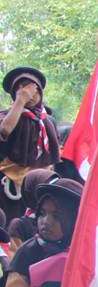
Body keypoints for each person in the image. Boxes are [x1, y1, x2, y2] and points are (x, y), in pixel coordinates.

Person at [3, 178, 82, 287]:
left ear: (73, 220)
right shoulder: (27, 251)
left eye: (56, 216)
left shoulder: (85, 254)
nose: (46, 221)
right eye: (42, 213)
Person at [0, 67, 61, 221]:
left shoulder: (48, 121)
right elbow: (4, 131)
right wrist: (20, 101)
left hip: (39, 184)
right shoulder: (5, 118)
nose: (30, 95)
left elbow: (53, 156)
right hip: (9, 185)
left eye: (34, 90)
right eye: (23, 90)